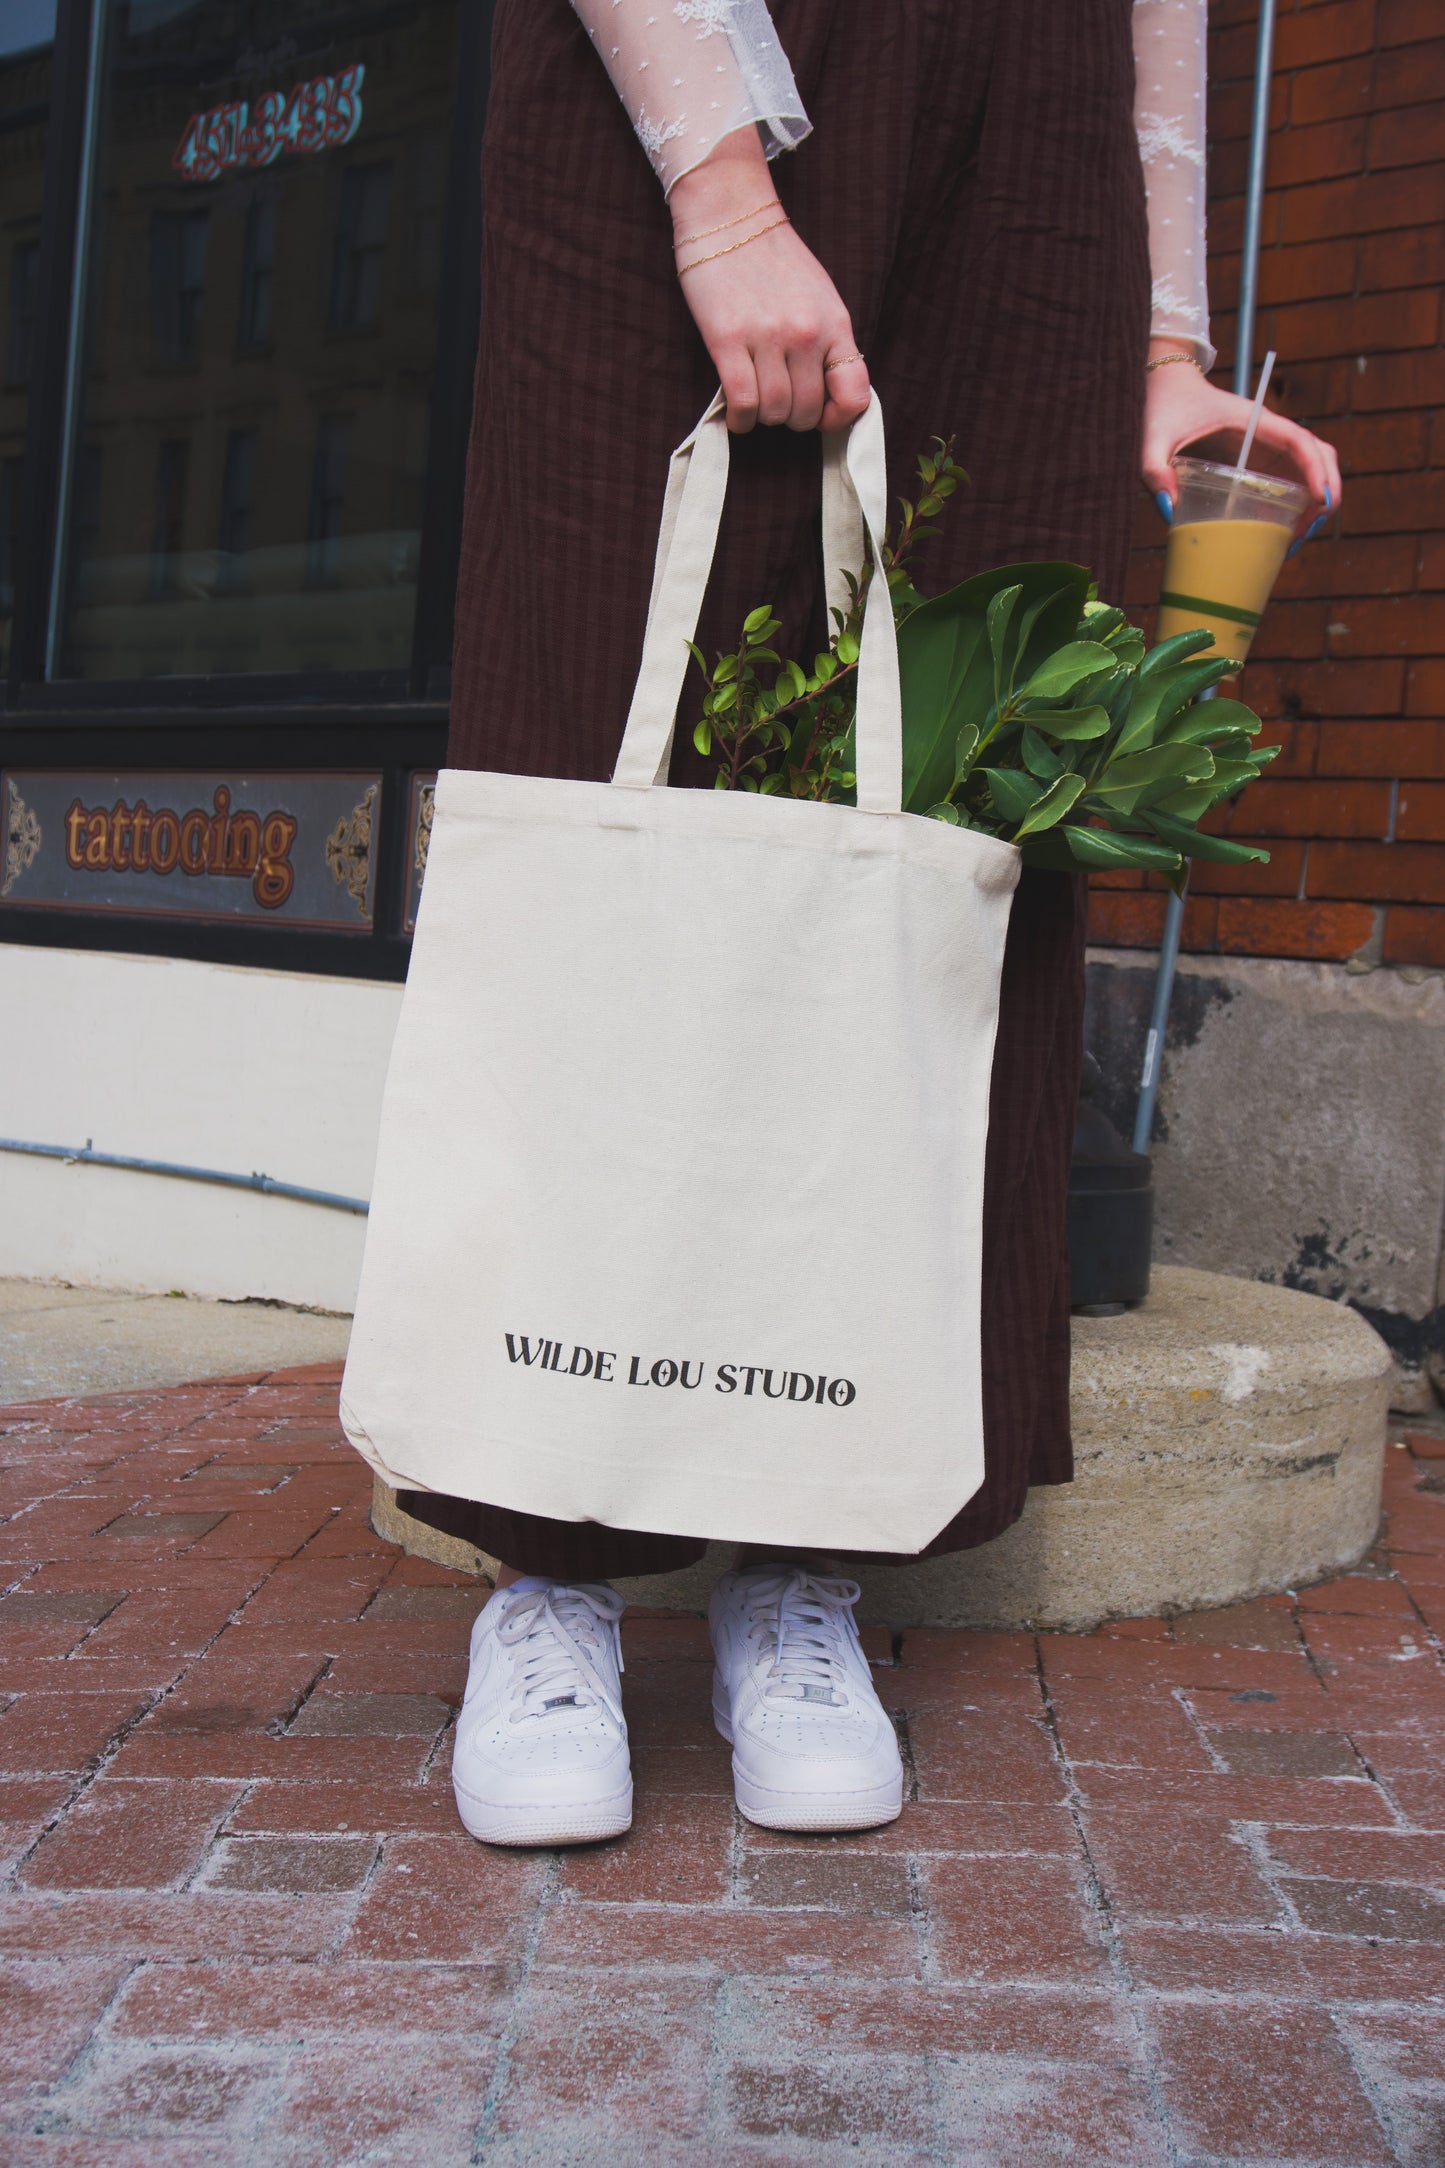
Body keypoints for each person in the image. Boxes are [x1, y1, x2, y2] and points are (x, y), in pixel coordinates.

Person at [404, 0, 1343, 1849]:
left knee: (962, 817)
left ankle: (812, 1556)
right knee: (611, 734)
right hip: (683, 65)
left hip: (1036, 123)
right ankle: (551, 1567)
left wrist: (1161, 335)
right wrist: (719, 187)